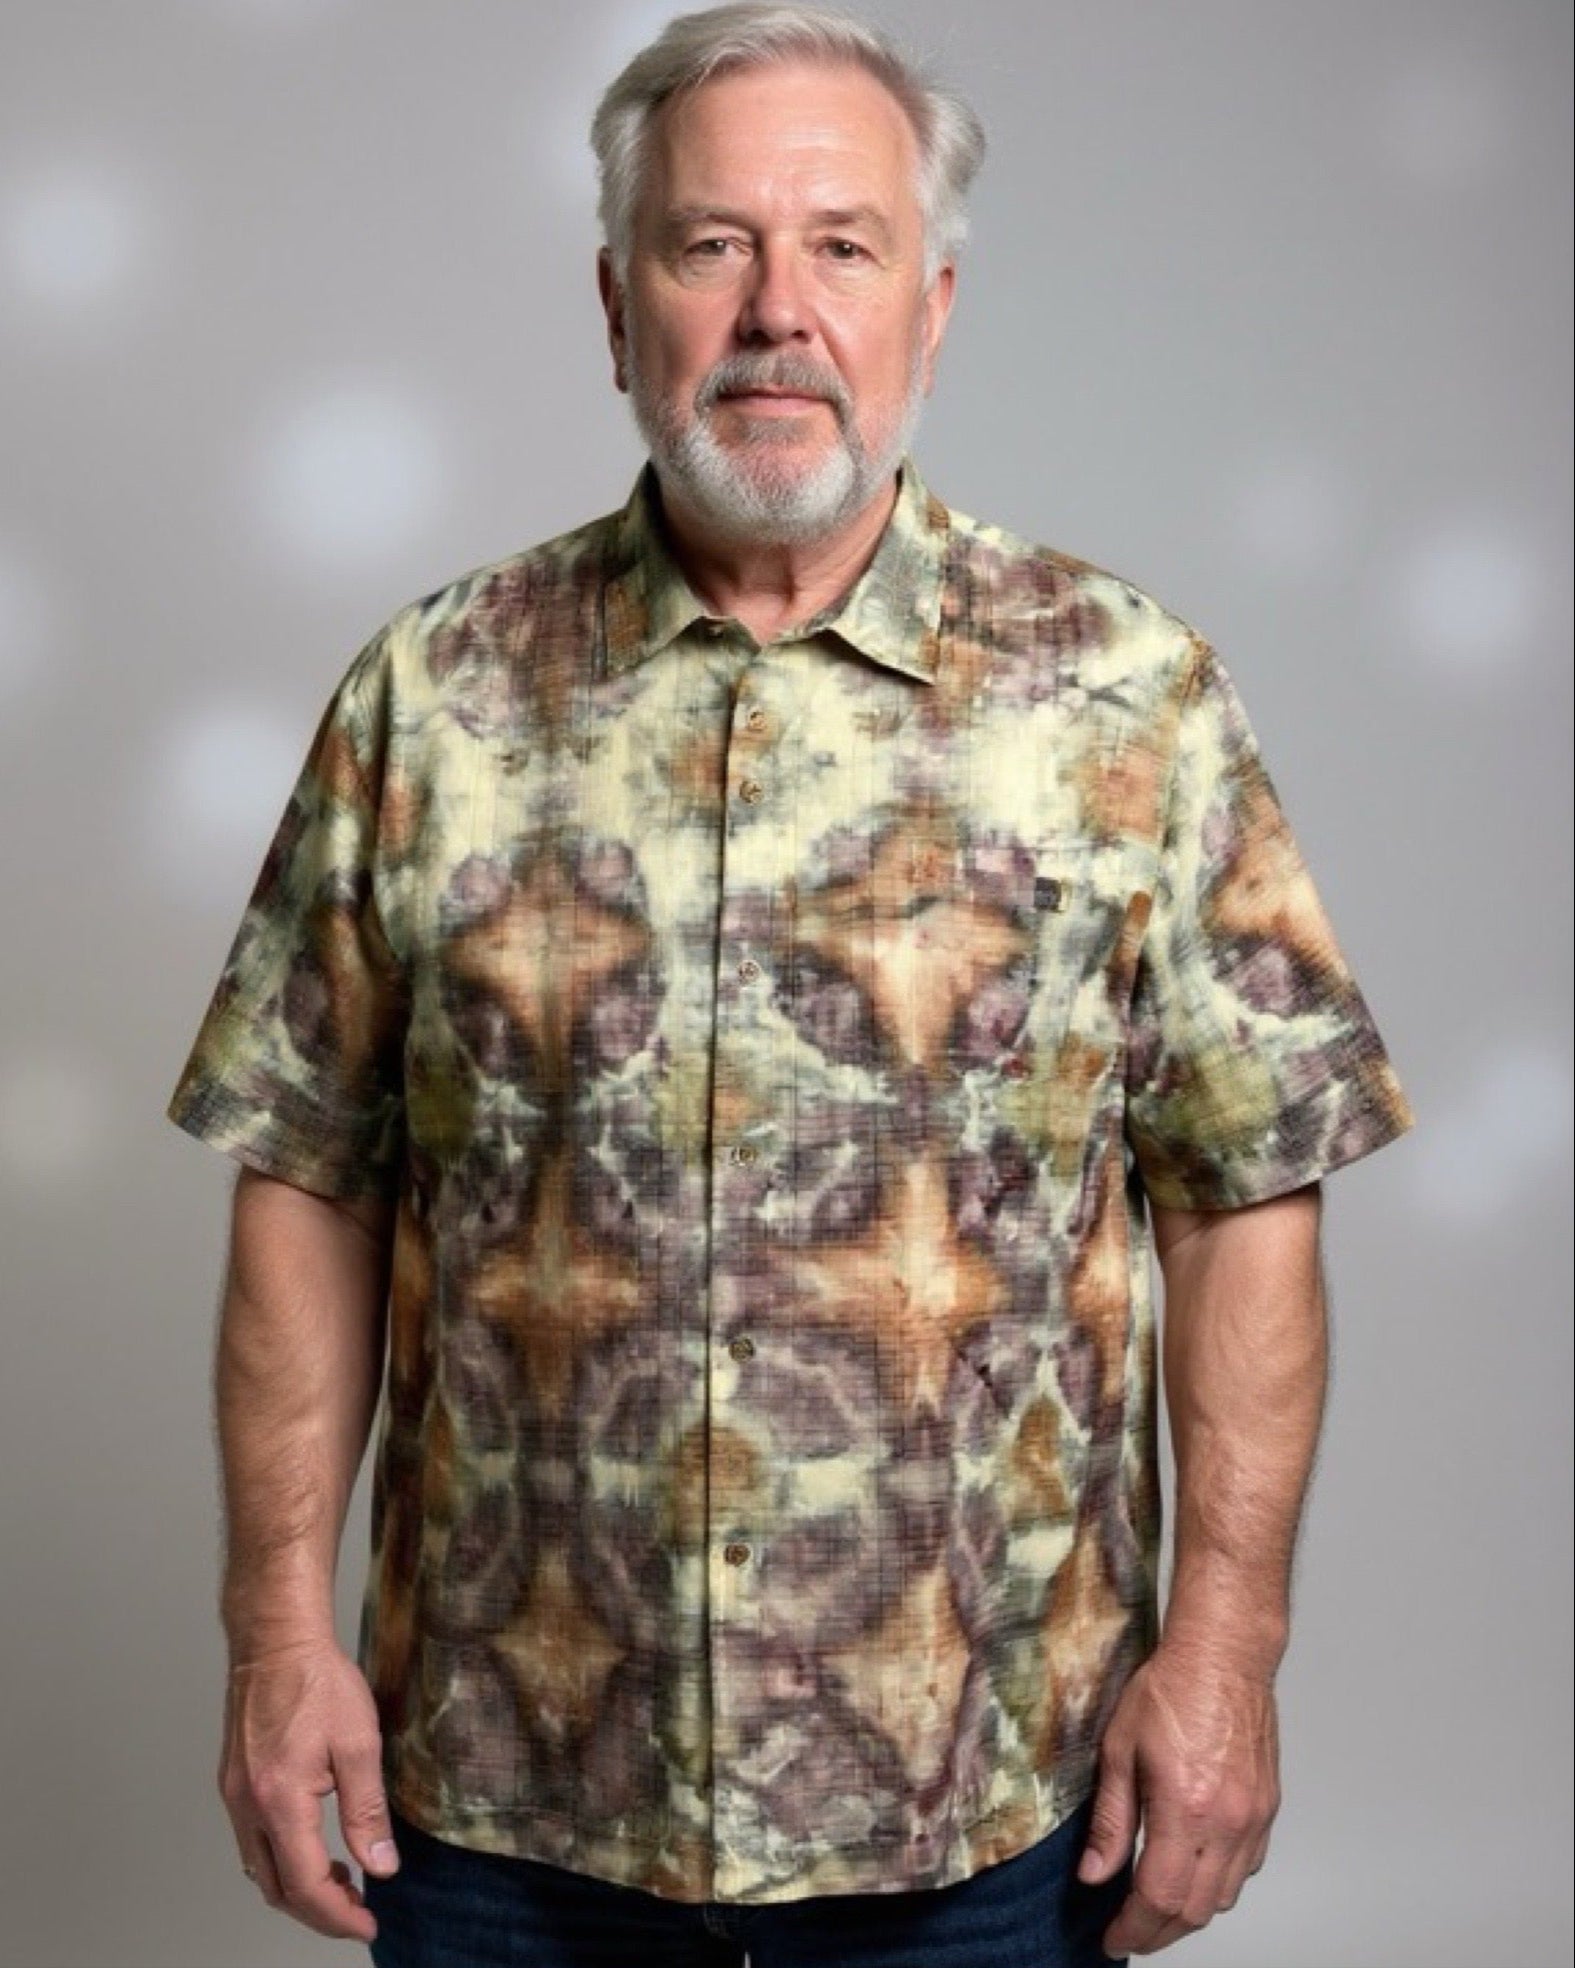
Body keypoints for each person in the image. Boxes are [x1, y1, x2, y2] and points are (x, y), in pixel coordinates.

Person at [165, 4, 1418, 1964]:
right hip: (498, 1814)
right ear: (617, 306)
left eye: (841, 245)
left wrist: (1228, 1650)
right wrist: (272, 1635)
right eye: (709, 244)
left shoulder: (1130, 701)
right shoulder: (434, 696)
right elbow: (308, 1186)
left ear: (933, 304)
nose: (776, 311)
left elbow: (1242, 1194)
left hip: (986, 1814)